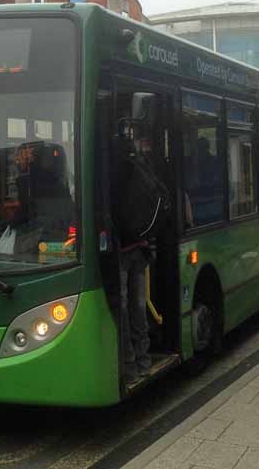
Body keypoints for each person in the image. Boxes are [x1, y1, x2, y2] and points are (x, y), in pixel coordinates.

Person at [114, 127, 171, 384]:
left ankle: (128, 365)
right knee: (137, 307)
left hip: (121, 252)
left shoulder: (113, 169)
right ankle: (144, 360)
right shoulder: (139, 166)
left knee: (123, 310)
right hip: (140, 247)